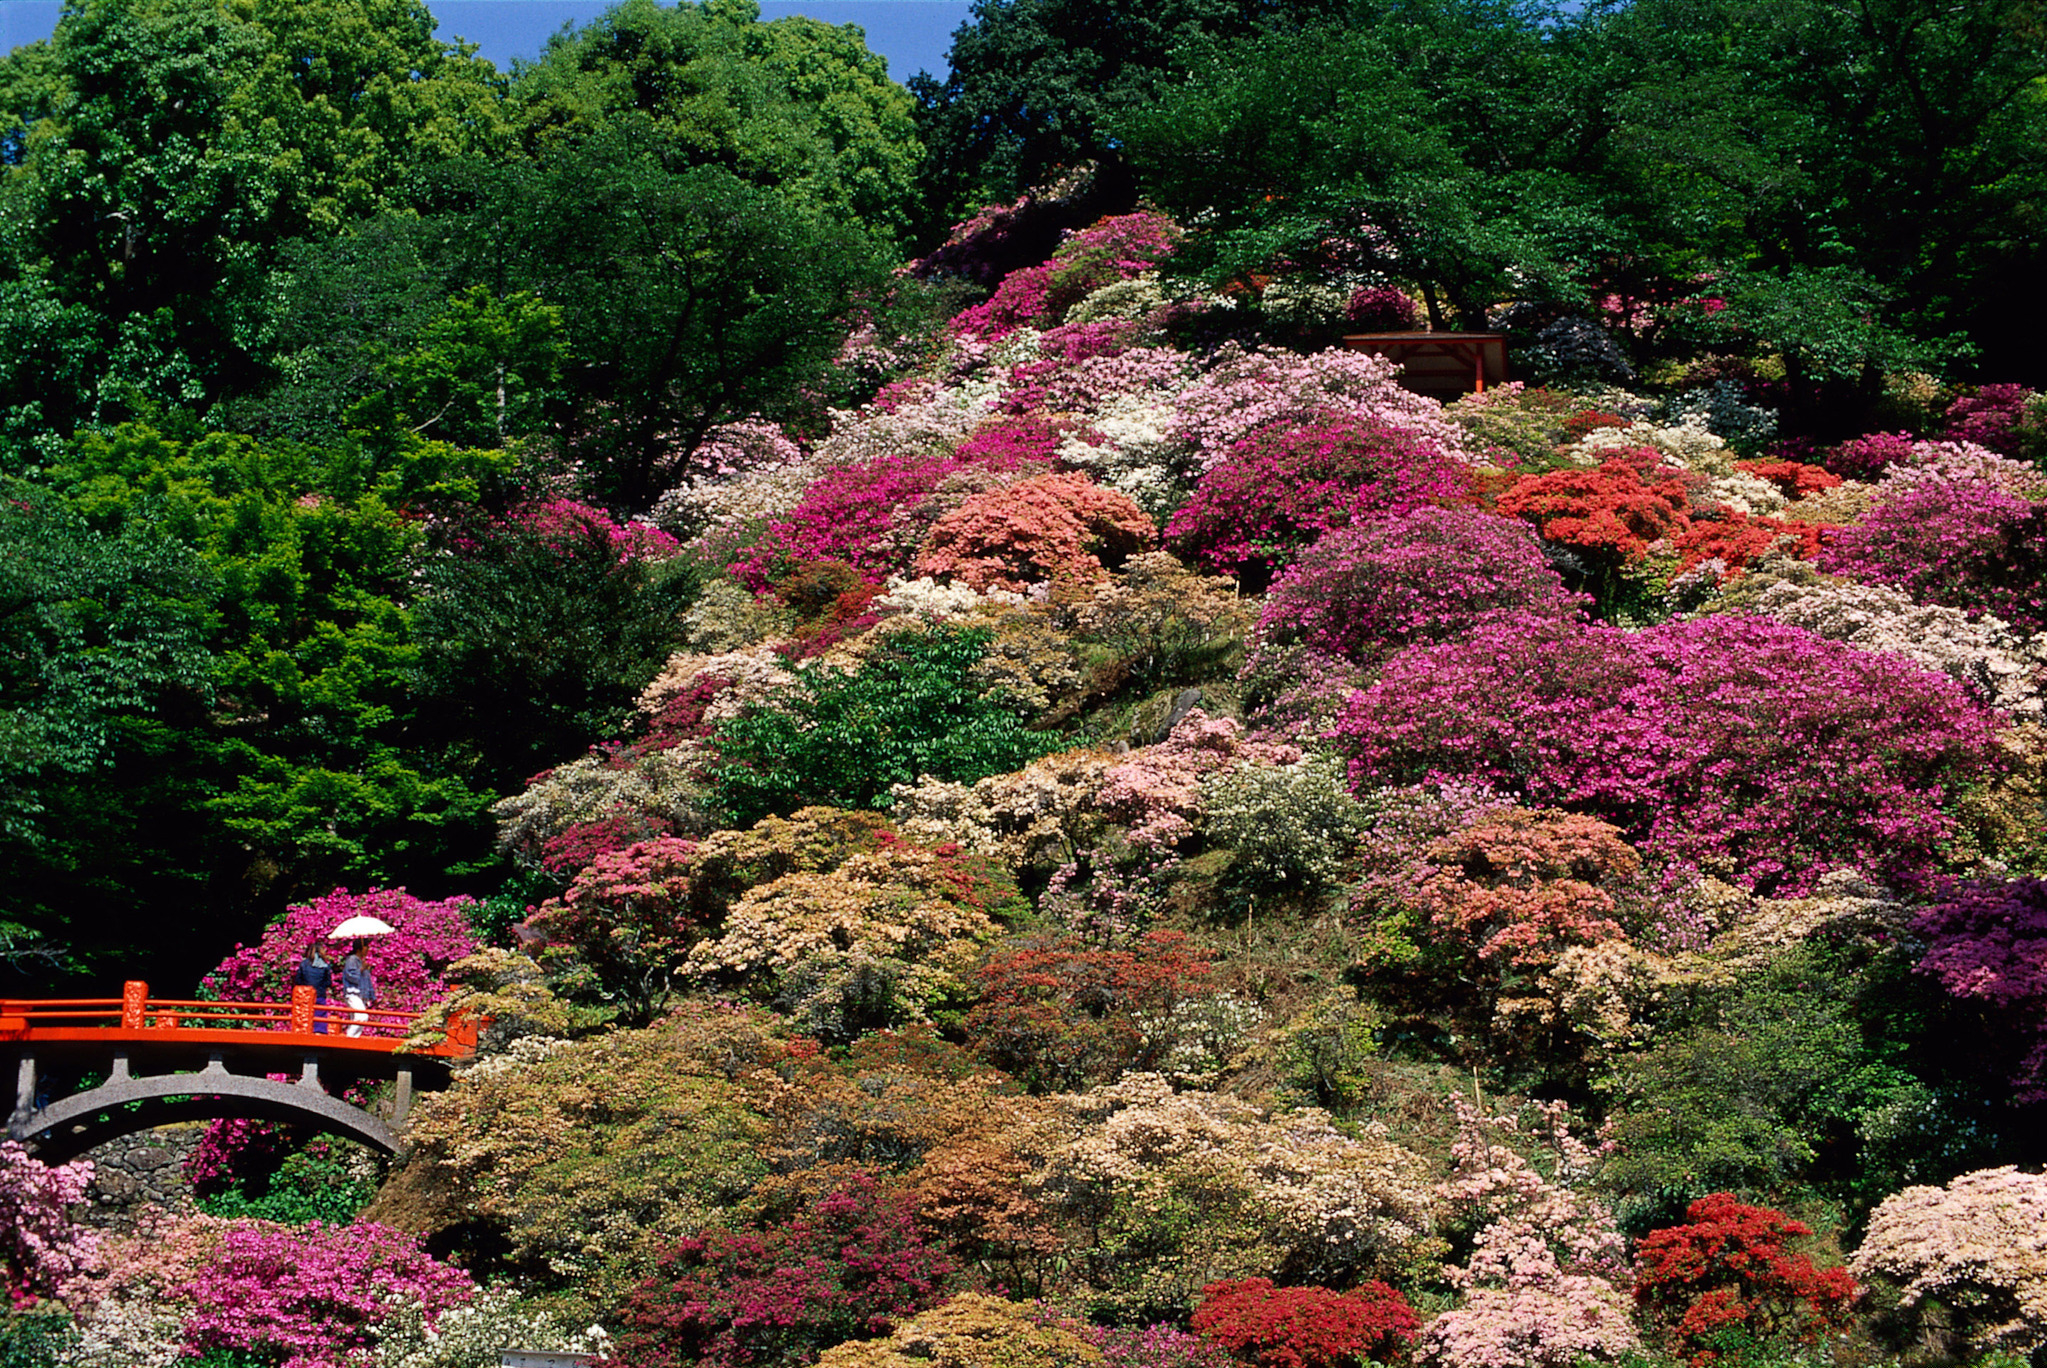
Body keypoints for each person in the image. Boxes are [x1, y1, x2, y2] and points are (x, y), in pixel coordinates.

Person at [291, 942, 333, 1034]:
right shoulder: (325, 966)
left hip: (306, 996)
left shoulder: (303, 964)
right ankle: (320, 1032)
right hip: (320, 994)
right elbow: (328, 982)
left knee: (305, 1015)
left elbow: (298, 980)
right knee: (320, 1014)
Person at [340, 939, 377, 1038]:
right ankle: (349, 1038)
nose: (368, 949)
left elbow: (367, 981)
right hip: (353, 993)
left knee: (356, 1019)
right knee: (362, 1017)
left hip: (362, 994)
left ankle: (353, 1039)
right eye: (366, 947)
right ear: (360, 948)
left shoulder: (361, 962)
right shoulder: (352, 960)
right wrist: (361, 969)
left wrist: (372, 996)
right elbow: (350, 976)